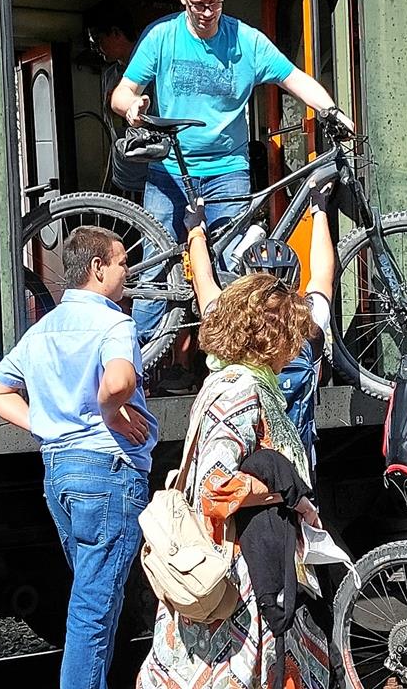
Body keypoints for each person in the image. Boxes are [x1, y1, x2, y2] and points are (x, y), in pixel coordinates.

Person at [109, 0, 351, 378]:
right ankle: (140, 368)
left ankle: (231, 365)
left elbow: (292, 77)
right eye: (198, 4)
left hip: (227, 170)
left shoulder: (247, 42)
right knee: (156, 271)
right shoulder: (161, 38)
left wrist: (332, 109)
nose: (206, 13)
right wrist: (133, 108)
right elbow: (121, 93)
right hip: (169, 169)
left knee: (232, 268)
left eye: (214, 3)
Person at [0, 225, 158, 689]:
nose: (127, 271)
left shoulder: (43, 329)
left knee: (90, 594)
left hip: (59, 471)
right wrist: (111, 412)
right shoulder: (115, 323)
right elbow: (118, 382)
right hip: (107, 471)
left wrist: (45, 424)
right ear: (98, 270)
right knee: (93, 608)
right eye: (122, 263)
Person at [138, 272, 329, 689]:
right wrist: (288, 494)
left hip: (246, 558)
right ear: (270, 336)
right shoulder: (241, 390)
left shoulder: (227, 382)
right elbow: (215, 486)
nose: (296, 347)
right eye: (292, 335)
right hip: (239, 571)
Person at [185, 174, 335, 466]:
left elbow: (203, 279)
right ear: (292, 282)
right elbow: (323, 275)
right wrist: (319, 210)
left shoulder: (224, 329)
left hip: (244, 481)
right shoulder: (309, 326)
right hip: (295, 478)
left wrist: (196, 231)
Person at [85, 0, 148, 195]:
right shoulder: (109, 74)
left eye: (98, 40)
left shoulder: (152, 70)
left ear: (116, 33)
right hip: (121, 174)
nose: (96, 48)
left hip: (150, 174)